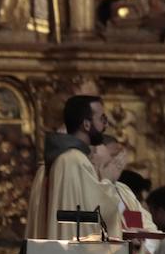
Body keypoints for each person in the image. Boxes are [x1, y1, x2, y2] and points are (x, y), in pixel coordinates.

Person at [25, 95, 124, 240]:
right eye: (101, 119)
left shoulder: (63, 158)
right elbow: (93, 216)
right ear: (86, 124)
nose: (105, 125)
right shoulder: (75, 160)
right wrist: (108, 181)